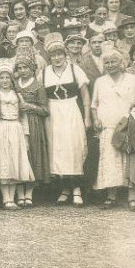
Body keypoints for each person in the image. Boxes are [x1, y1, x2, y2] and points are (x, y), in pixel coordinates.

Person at [91, 48, 135, 211]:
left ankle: (132, 197)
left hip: (129, 127)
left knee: (130, 161)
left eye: (113, 62)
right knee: (110, 162)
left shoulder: (132, 79)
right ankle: (111, 196)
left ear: (121, 63)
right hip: (108, 128)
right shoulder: (100, 82)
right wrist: (96, 119)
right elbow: (94, 105)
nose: (110, 65)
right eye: (107, 62)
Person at [42, 33, 91, 206]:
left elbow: (85, 95)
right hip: (53, 113)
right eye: (53, 55)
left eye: (60, 54)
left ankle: (77, 189)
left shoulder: (74, 69)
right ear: (50, 57)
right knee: (58, 150)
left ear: (65, 54)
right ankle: (64, 189)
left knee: (74, 148)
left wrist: (87, 117)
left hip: (71, 111)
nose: (57, 58)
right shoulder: (44, 72)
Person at [0, 59, 35, 210]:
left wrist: (26, 136)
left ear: (11, 79)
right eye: (1, 78)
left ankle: (13, 197)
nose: (5, 80)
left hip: (16, 129)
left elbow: (23, 117)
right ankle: (6, 198)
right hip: (1, 129)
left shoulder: (17, 95)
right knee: (3, 162)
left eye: (7, 77)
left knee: (14, 161)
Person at [14, 56, 50, 192]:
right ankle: (19, 191)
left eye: (25, 68)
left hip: (34, 123)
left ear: (32, 68)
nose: (22, 71)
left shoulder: (38, 86)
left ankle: (29, 192)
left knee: (32, 154)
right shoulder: (14, 84)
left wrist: (30, 107)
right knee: (19, 155)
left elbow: (45, 110)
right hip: (17, 123)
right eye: (19, 68)